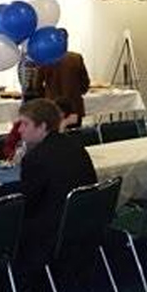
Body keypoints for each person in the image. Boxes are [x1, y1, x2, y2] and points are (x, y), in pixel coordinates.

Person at [16, 99, 97, 279]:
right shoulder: (77, 147)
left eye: (24, 124)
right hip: (85, 222)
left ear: (42, 126)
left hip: (54, 232)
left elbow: (26, 205)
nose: (19, 129)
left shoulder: (35, 159)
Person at [36, 41, 91, 125]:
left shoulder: (46, 60)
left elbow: (37, 85)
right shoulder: (76, 58)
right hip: (74, 105)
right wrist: (79, 92)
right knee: (76, 135)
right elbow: (85, 82)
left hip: (53, 106)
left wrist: (46, 95)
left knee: (54, 135)